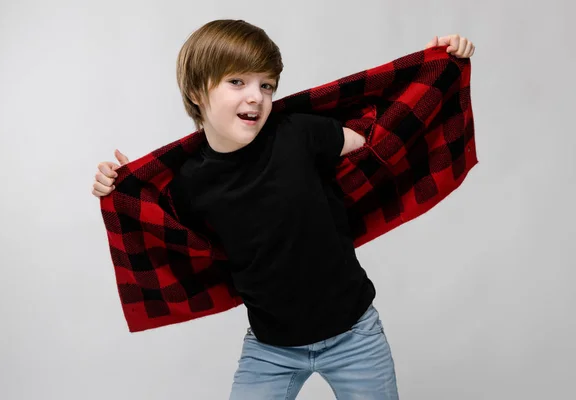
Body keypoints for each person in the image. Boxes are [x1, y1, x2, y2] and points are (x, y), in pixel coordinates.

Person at [92, 19, 475, 399]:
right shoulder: (190, 184)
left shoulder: (298, 132)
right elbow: (154, 221)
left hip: (354, 336)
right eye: (237, 82)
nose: (256, 96)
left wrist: (435, 67)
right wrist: (120, 185)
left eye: (267, 85)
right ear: (196, 91)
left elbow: (382, 133)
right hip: (271, 349)